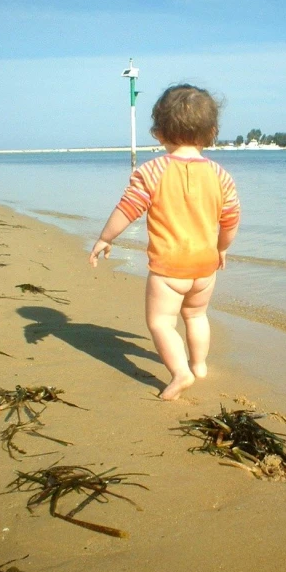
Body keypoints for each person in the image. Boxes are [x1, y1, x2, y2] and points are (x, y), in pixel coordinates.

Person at [89, 84, 240, 400]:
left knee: (160, 322)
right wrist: (222, 248)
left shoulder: (152, 171)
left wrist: (105, 238)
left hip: (169, 269)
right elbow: (231, 219)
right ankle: (199, 366)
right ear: (212, 131)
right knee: (196, 316)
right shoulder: (220, 175)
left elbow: (128, 209)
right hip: (204, 267)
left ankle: (181, 373)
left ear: (158, 132)